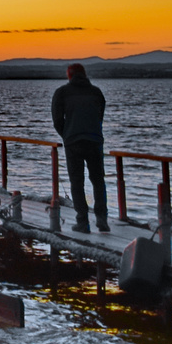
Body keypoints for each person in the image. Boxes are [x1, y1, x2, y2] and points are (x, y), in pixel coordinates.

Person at [52, 63, 109, 233]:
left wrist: (67, 135)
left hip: (73, 142)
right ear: (84, 75)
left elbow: (57, 120)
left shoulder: (62, 92)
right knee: (98, 180)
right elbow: (100, 116)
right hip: (94, 140)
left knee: (77, 182)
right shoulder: (96, 92)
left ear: (69, 75)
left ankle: (83, 222)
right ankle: (102, 218)